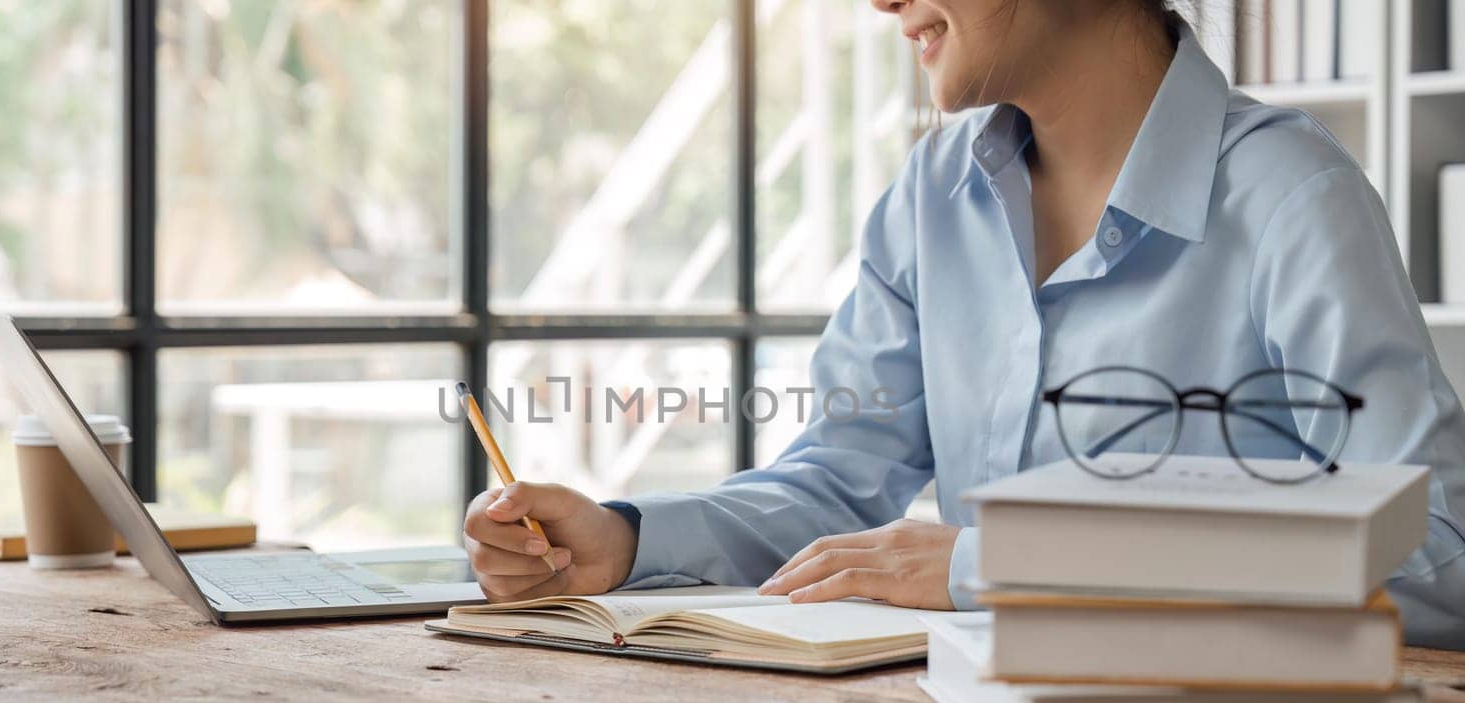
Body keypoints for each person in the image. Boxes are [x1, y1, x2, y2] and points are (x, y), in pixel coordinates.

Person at [461, 0, 1465, 648]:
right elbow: (841, 483)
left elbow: (1442, 563)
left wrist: (995, 563)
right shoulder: (932, 196)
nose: (881, 3)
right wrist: (626, 539)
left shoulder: (1292, 198)